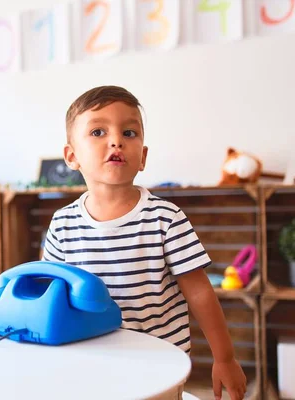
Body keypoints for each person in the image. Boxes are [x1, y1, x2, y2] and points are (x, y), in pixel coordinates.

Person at [41, 85, 247, 400]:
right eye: (98, 131)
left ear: (143, 157)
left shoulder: (165, 218)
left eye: (129, 132)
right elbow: (54, 297)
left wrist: (225, 358)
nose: (116, 140)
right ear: (71, 156)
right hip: (90, 366)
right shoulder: (62, 224)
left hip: (159, 367)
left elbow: (200, 293)